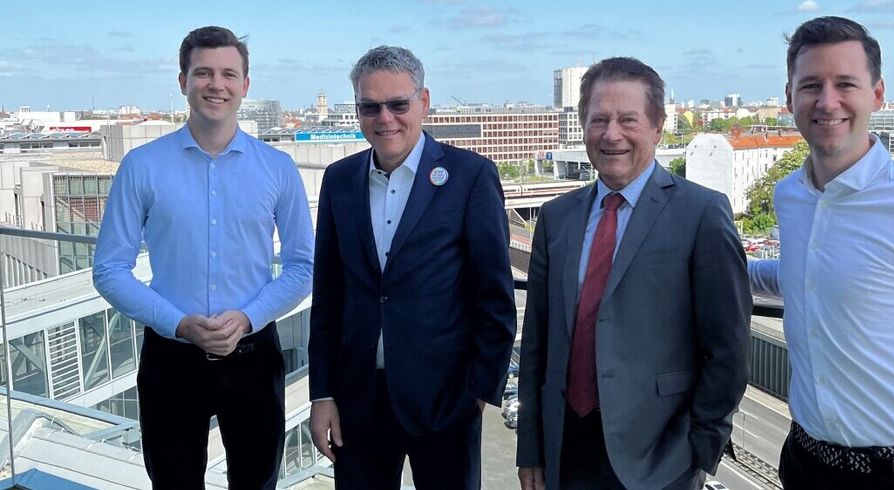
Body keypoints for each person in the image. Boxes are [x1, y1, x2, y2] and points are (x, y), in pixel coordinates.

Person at [749, 16, 894, 489]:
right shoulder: (790, 195)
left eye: (845, 83)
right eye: (811, 84)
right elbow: (805, 274)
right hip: (805, 461)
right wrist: (717, 266)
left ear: (877, 94)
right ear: (789, 97)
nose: (827, 101)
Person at [93, 26, 314, 489]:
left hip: (254, 356)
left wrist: (248, 318)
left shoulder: (277, 168)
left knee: (256, 484)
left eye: (229, 74)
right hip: (171, 359)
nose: (217, 84)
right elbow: (110, 269)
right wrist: (177, 323)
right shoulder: (142, 166)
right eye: (204, 73)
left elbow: (302, 266)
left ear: (246, 86)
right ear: (183, 81)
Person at [516, 57, 752, 490]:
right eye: (598, 120)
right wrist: (532, 447)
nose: (611, 134)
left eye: (628, 119)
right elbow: (537, 344)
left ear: (658, 126)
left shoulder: (701, 213)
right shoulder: (556, 218)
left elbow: (728, 346)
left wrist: (699, 450)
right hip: (565, 451)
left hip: (660, 459)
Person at [307, 45, 516, 490]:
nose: (385, 118)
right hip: (357, 402)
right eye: (370, 107)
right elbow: (328, 295)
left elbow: (494, 295)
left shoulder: (470, 176)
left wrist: (478, 394)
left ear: (423, 102)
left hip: (444, 401)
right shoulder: (339, 180)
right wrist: (322, 393)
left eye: (398, 104)